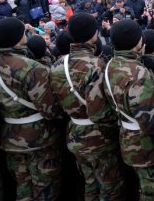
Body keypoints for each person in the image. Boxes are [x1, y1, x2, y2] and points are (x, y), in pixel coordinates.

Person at [49, 13, 125, 200]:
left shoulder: (58, 65)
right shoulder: (95, 64)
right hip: (98, 137)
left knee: (89, 183)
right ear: (93, 34)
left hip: (74, 132)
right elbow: (99, 111)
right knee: (110, 185)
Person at [104, 19, 154, 200]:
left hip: (128, 140)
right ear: (138, 43)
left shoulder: (110, 65)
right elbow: (151, 122)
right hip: (147, 147)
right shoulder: (137, 73)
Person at [0, 17, 63, 200]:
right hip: (39, 138)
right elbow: (50, 109)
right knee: (45, 186)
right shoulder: (31, 67)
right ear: (17, 38)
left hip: (10, 136)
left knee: (22, 186)